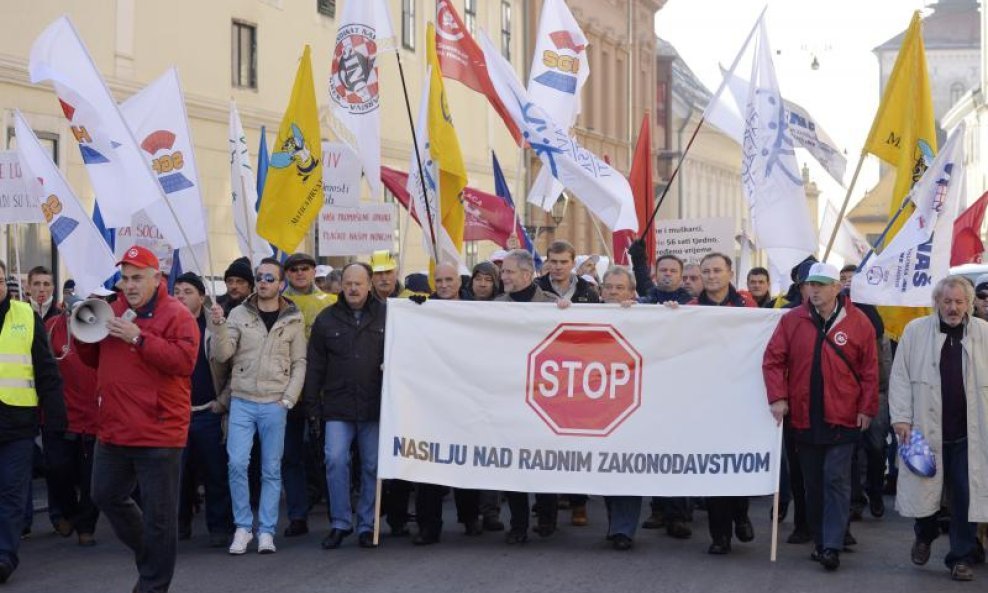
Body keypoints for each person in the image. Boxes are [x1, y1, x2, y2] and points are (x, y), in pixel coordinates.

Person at [76, 245, 199, 593]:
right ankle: (152, 555)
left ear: (156, 278)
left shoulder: (177, 314)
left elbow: (184, 361)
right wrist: (83, 325)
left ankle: (153, 584)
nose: (129, 285)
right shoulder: (112, 308)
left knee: (160, 518)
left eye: (137, 278)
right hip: (114, 428)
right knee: (105, 495)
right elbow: (90, 357)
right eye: (125, 278)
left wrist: (139, 338)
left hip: (159, 430)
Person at [764, 262, 878, 571]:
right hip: (804, 416)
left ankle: (831, 545)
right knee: (812, 484)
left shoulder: (859, 322)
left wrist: (867, 407)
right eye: (810, 284)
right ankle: (820, 538)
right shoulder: (793, 320)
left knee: (836, 480)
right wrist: (778, 397)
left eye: (821, 284)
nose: (813, 289)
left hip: (843, 416)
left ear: (836, 287)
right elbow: (773, 360)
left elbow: (870, 370)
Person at [890, 275, 988, 582]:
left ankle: (960, 557)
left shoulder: (984, 334)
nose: (953, 307)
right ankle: (925, 533)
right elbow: (901, 377)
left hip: (968, 435)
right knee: (925, 493)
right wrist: (901, 418)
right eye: (947, 301)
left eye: (959, 302)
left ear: (969, 304)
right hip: (923, 430)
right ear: (937, 302)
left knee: (964, 496)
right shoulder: (915, 331)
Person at [209, 258, 306, 555]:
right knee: (237, 463)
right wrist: (218, 325)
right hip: (242, 399)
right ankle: (243, 527)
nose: (263, 282)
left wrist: (289, 398)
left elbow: (299, 361)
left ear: (280, 284)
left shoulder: (293, 317)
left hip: (275, 402)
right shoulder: (238, 312)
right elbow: (223, 354)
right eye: (260, 277)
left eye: (269, 278)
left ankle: (266, 531)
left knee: (271, 470)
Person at [306, 262, 387, 550]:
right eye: (348, 283)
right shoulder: (326, 319)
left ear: (370, 285)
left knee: (372, 466)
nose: (353, 288)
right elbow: (315, 366)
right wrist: (312, 406)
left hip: (375, 406)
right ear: (341, 285)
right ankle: (340, 523)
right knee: (335, 461)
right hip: (337, 406)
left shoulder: (388, 316)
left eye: (359, 283)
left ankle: (367, 525)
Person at [0, 258, 66, 585]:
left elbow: (46, 371)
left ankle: (4, 557)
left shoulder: (25, 316)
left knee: (12, 493)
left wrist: (55, 417)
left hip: (16, 426)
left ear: (6, 285)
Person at [687, 253, 756, 555]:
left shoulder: (747, 306)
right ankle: (720, 535)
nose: (712, 276)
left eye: (718, 270)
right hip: (706, 401)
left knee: (737, 466)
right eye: (707, 271)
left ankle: (740, 515)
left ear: (730, 273)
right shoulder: (690, 309)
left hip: (741, 399)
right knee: (714, 470)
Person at [411, 264, 481, 544]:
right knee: (428, 464)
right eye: (438, 280)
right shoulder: (421, 309)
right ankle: (429, 526)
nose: (443, 284)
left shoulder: (477, 309)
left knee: (466, 459)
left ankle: (470, 517)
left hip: (466, 396)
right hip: (432, 397)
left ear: (459, 281)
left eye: (448, 279)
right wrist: (412, 310)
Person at [495, 250, 560, 542]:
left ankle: (547, 517)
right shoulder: (495, 307)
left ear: (526, 274)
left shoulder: (552, 305)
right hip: (510, 395)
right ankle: (518, 525)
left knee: (544, 461)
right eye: (503, 272)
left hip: (545, 395)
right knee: (513, 463)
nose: (504, 276)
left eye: (509, 272)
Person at [172, 273, 233, 548]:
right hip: (176, 414)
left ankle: (219, 527)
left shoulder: (216, 325)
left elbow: (234, 368)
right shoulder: (167, 325)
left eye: (187, 291)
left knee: (215, 473)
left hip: (208, 411)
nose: (180, 296)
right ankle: (178, 525)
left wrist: (221, 402)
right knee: (176, 476)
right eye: (177, 291)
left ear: (202, 296)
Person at [280, 253, 336, 538]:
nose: (300, 273)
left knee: (330, 454)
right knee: (290, 456)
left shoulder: (330, 303)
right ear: (287, 274)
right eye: (294, 269)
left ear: (314, 271)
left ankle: (336, 515)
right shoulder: (277, 304)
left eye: (305, 268)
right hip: (286, 392)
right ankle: (298, 515)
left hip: (322, 390)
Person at [44, 292, 105, 548]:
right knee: (58, 470)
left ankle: (86, 526)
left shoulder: (102, 329)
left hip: (94, 415)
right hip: (60, 414)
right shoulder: (51, 328)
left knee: (92, 476)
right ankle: (67, 511)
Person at [596, 266, 643, 550]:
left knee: (627, 467)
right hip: (598, 405)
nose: (613, 292)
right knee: (606, 468)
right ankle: (616, 523)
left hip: (631, 405)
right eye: (609, 287)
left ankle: (624, 529)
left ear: (631, 292)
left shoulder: (642, 316)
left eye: (619, 287)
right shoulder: (583, 313)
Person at [627, 240, 692, 304]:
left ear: (681, 277)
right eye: (663, 270)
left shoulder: (691, 302)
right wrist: (638, 258)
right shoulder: (649, 297)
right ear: (656, 275)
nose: (668, 274)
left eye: (673, 271)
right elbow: (643, 279)